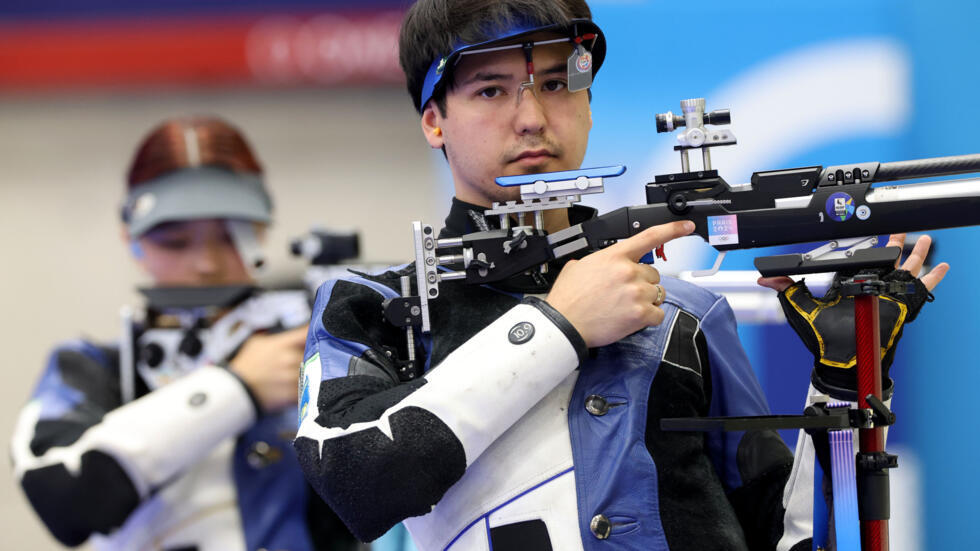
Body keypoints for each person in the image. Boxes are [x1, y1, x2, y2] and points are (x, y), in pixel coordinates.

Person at [294, 2, 947, 550]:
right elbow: (354, 480)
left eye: (556, 84)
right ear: (434, 119)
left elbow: (789, 538)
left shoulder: (685, 314)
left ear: (588, 104)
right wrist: (560, 325)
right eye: (491, 89)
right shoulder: (377, 303)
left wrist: (839, 385)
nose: (532, 117)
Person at [11, 116, 357, 551]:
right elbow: (65, 500)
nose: (205, 264)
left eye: (229, 238)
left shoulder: (320, 348)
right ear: (130, 239)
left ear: (262, 231)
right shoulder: (89, 367)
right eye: (176, 242)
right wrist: (239, 387)